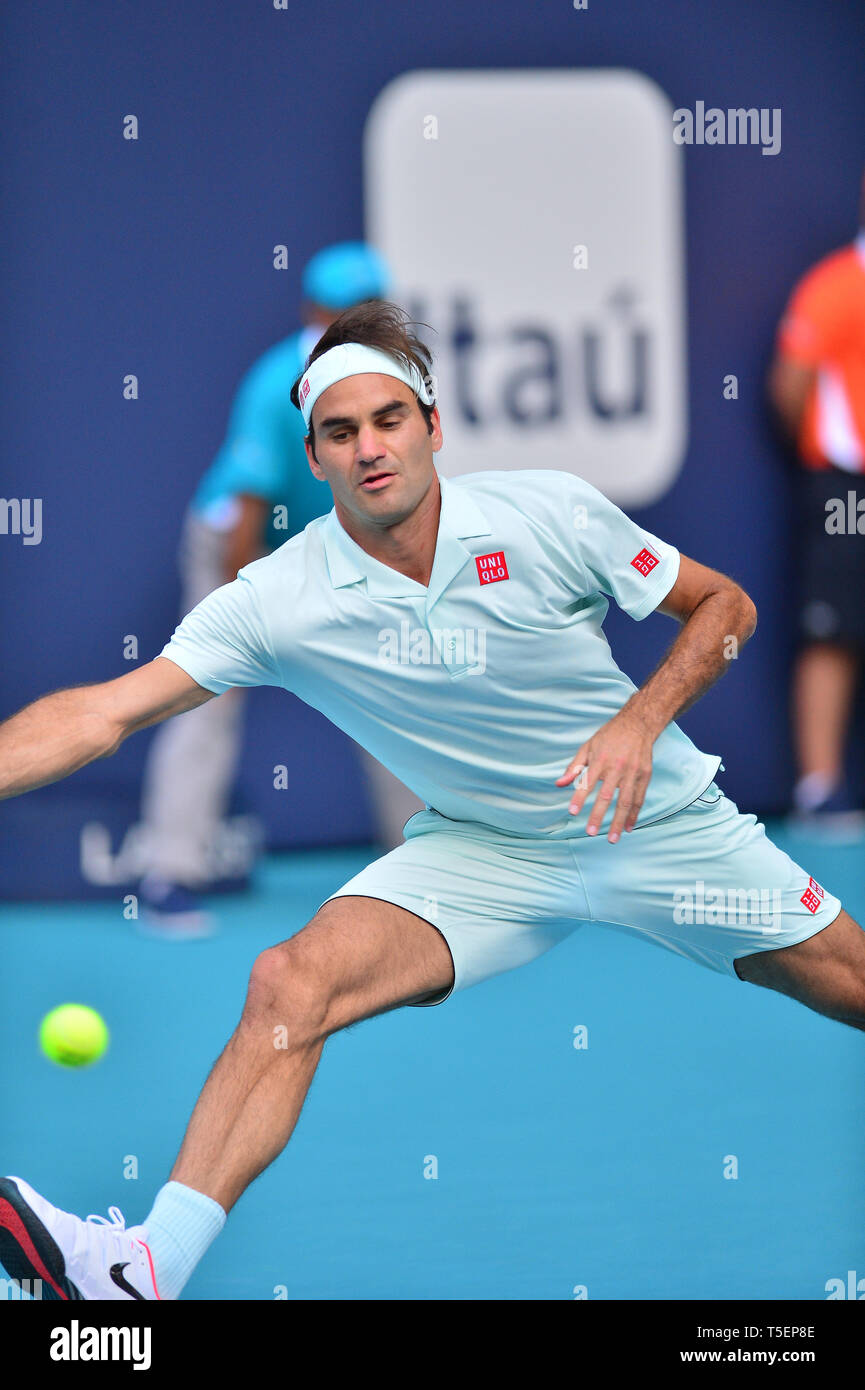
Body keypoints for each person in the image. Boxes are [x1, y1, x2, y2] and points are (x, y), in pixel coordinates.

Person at [1, 301, 862, 1302]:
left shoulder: (547, 513)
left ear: (432, 426)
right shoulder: (282, 594)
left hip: (656, 825)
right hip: (484, 853)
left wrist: (638, 722)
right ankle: (139, 1272)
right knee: (289, 984)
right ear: (314, 459)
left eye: (389, 419)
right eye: (339, 432)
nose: (369, 448)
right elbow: (104, 713)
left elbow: (727, 607)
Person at [137, 242, 424, 935]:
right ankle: (167, 873)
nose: (353, 329)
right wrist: (252, 610)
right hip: (237, 547)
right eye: (341, 316)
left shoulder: (394, 381)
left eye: (367, 315)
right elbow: (246, 513)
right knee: (201, 693)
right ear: (313, 314)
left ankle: (421, 869)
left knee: (390, 689)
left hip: (330, 547)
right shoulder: (276, 385)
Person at [768, 171, 865, 836]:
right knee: (830, 630)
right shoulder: (834, 285)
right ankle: (820, 787)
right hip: (843, 485)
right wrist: (827, 453)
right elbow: (789, 387)